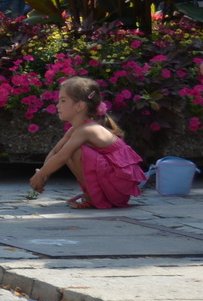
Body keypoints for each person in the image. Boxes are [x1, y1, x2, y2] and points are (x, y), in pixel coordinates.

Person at [30, 77, 146, 209]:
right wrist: (44, 175)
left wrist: (40, 175)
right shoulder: (78, 128)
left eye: (63, 101)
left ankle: (94, 196)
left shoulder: (87, 129)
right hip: (114, 185)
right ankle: (93, 194)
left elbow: (61, 156)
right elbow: (56, 151)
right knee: (69, 150)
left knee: (74, 151)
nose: (57, 105)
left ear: (79, 106)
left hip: (118, 187)